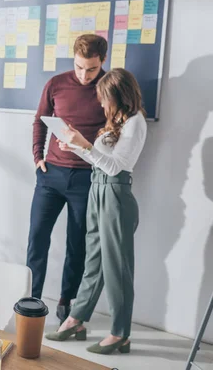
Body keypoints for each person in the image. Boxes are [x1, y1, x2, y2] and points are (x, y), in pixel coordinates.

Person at [45, 68, 147, 355]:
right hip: (97, 189)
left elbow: (115, 166)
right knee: (93, 262)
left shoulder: (136, 123)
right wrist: (76, 147)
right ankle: (76, 320)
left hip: (115, 194)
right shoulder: (115, 121)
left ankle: (120, 334)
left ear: (119, 96)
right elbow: (99, 161)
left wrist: (85, 145)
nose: (102, 105)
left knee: (117, 269)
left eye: (104, 99)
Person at [27, 34, 108, 324]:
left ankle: (65, 301)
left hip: (86, 177)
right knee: (37, 238)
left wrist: (82, 143)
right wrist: (38, 157)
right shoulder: (56, 84)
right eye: (79, 67)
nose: (84, 75)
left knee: (77, 243)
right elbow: (40, 120)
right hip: (50, 174)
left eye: (91, 69)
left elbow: (114, 133)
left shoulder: (109, 88)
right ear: (73, 59)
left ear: (102, 63)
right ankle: (31, 299)